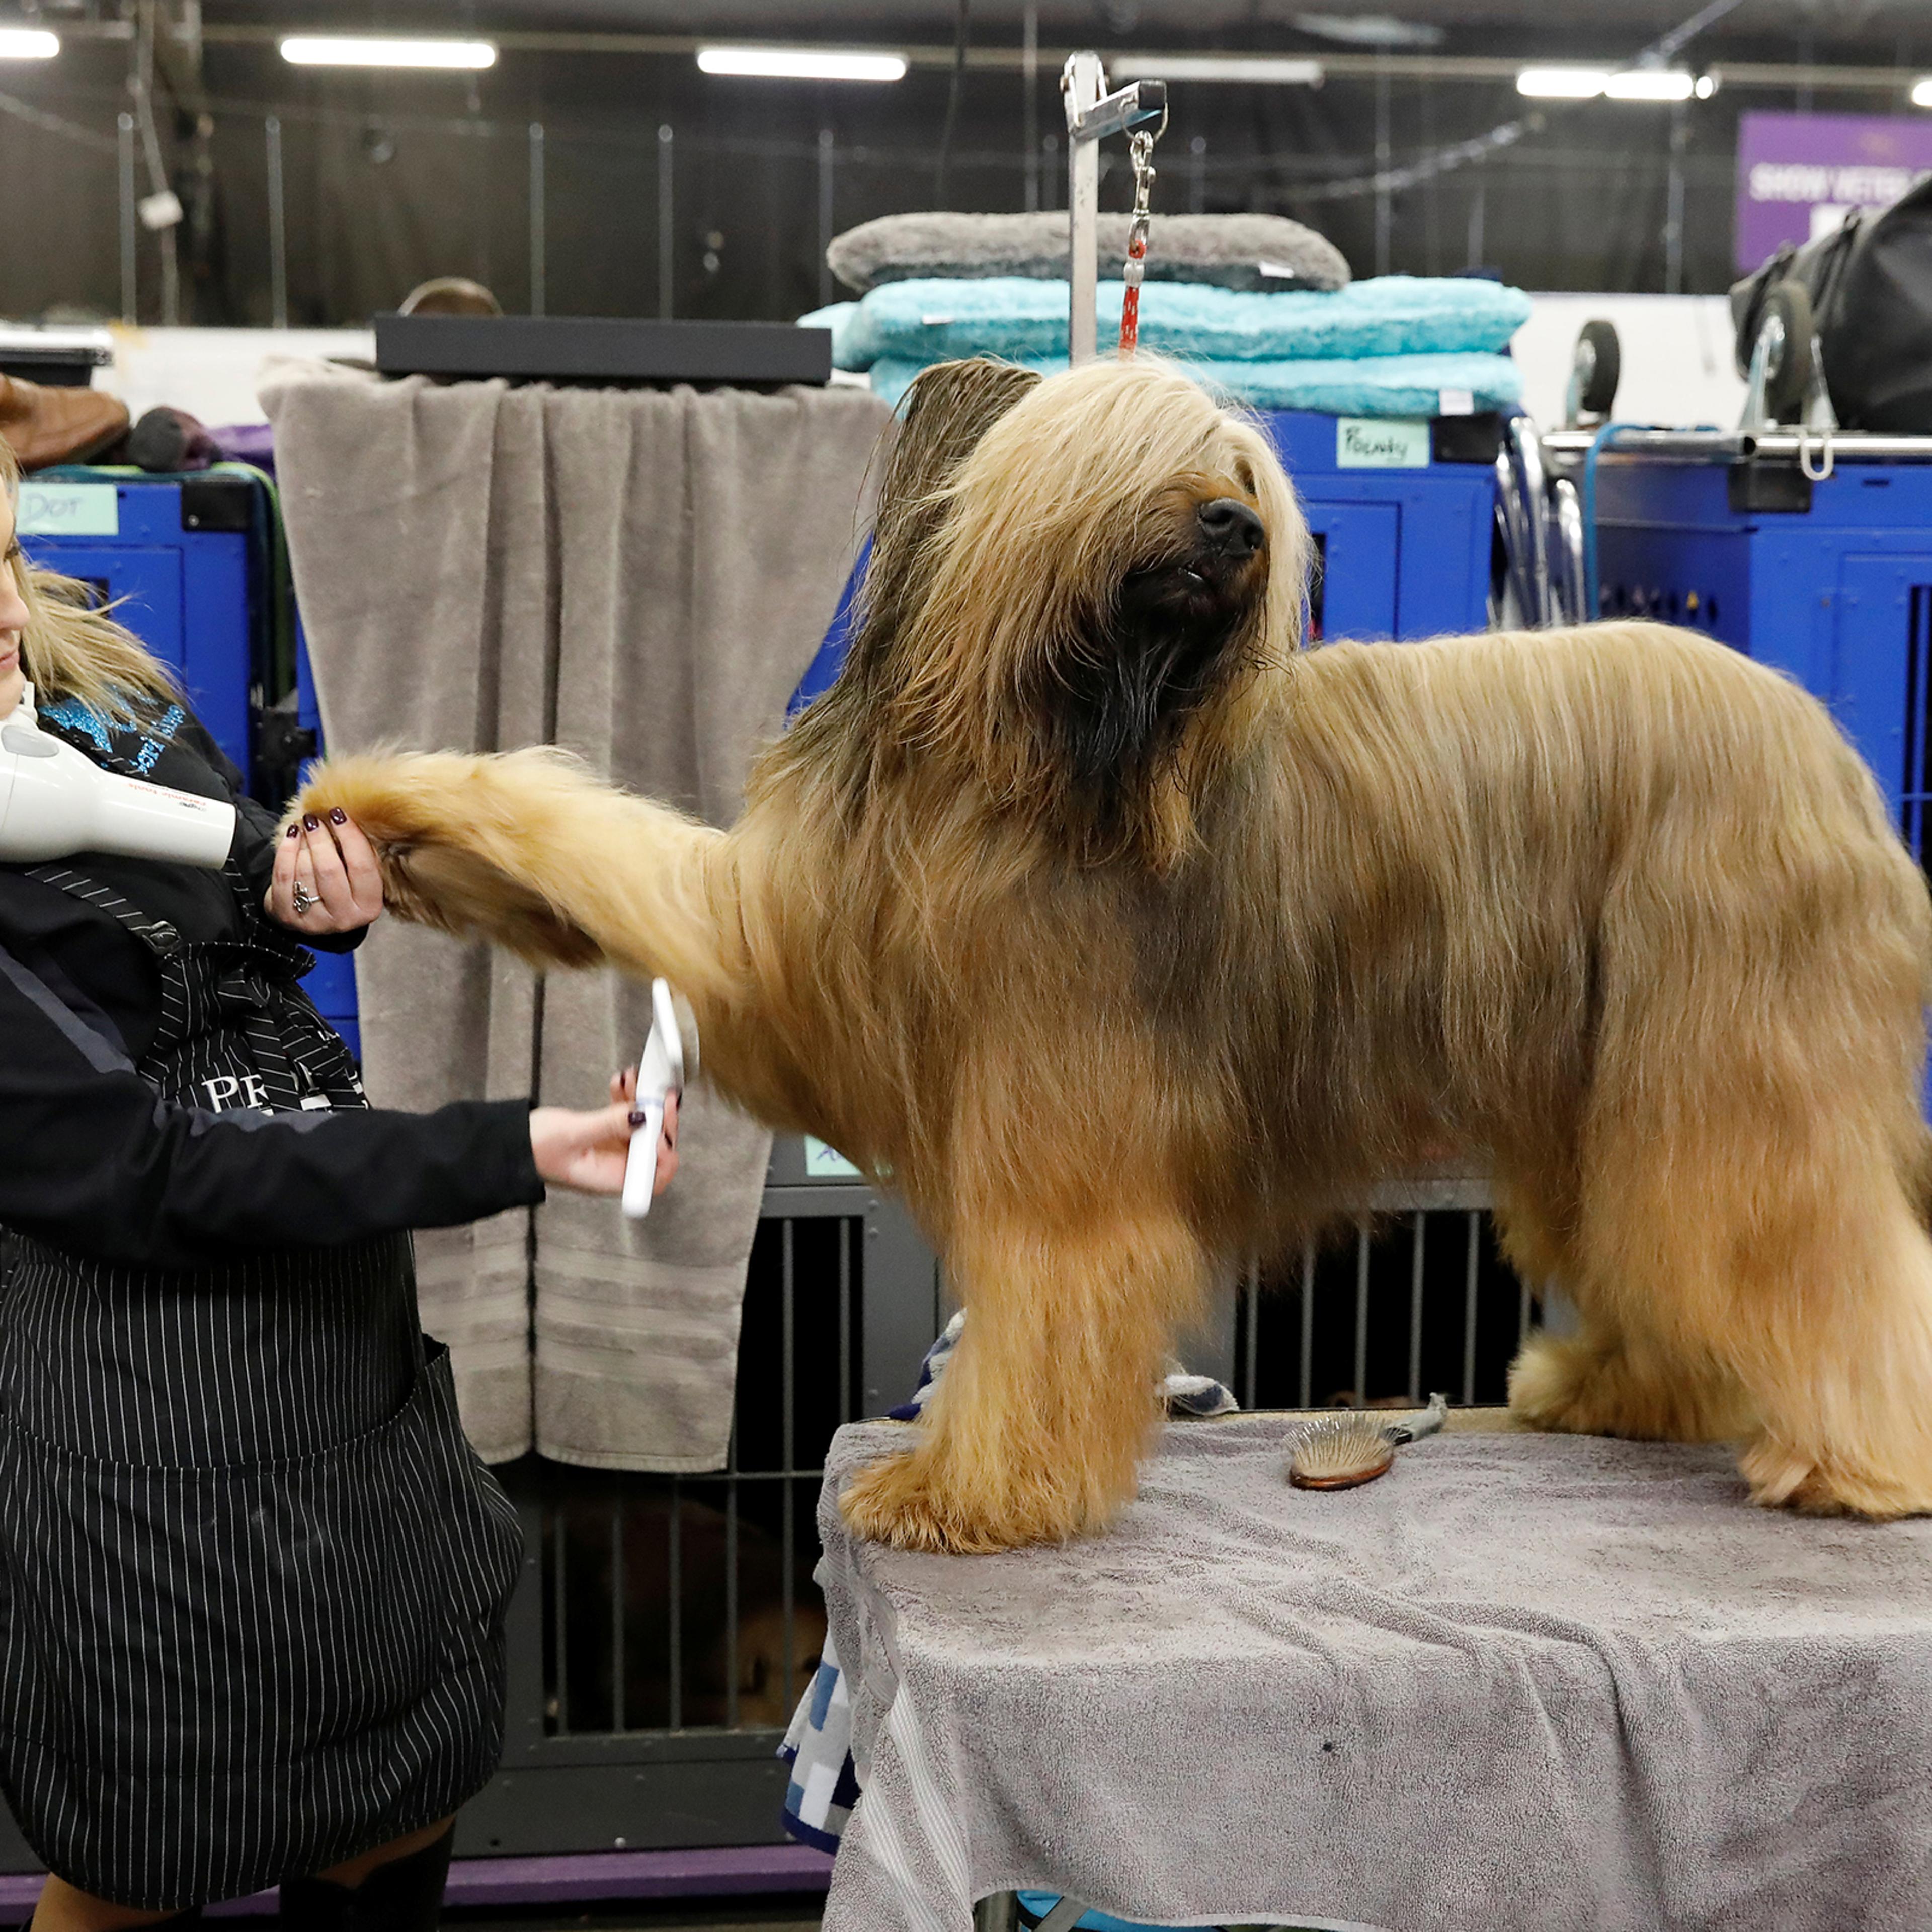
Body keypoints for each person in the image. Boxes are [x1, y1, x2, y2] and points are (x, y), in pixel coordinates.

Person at [0, 439, 675, 1932]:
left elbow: (223, 898)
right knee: (147, 1841)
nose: (1, 614)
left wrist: (302, 900)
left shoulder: (102, 692)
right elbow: (146, 1172)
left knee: (394, 1786)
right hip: (146, 1401)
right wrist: (517, 1146)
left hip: (329, 1343)